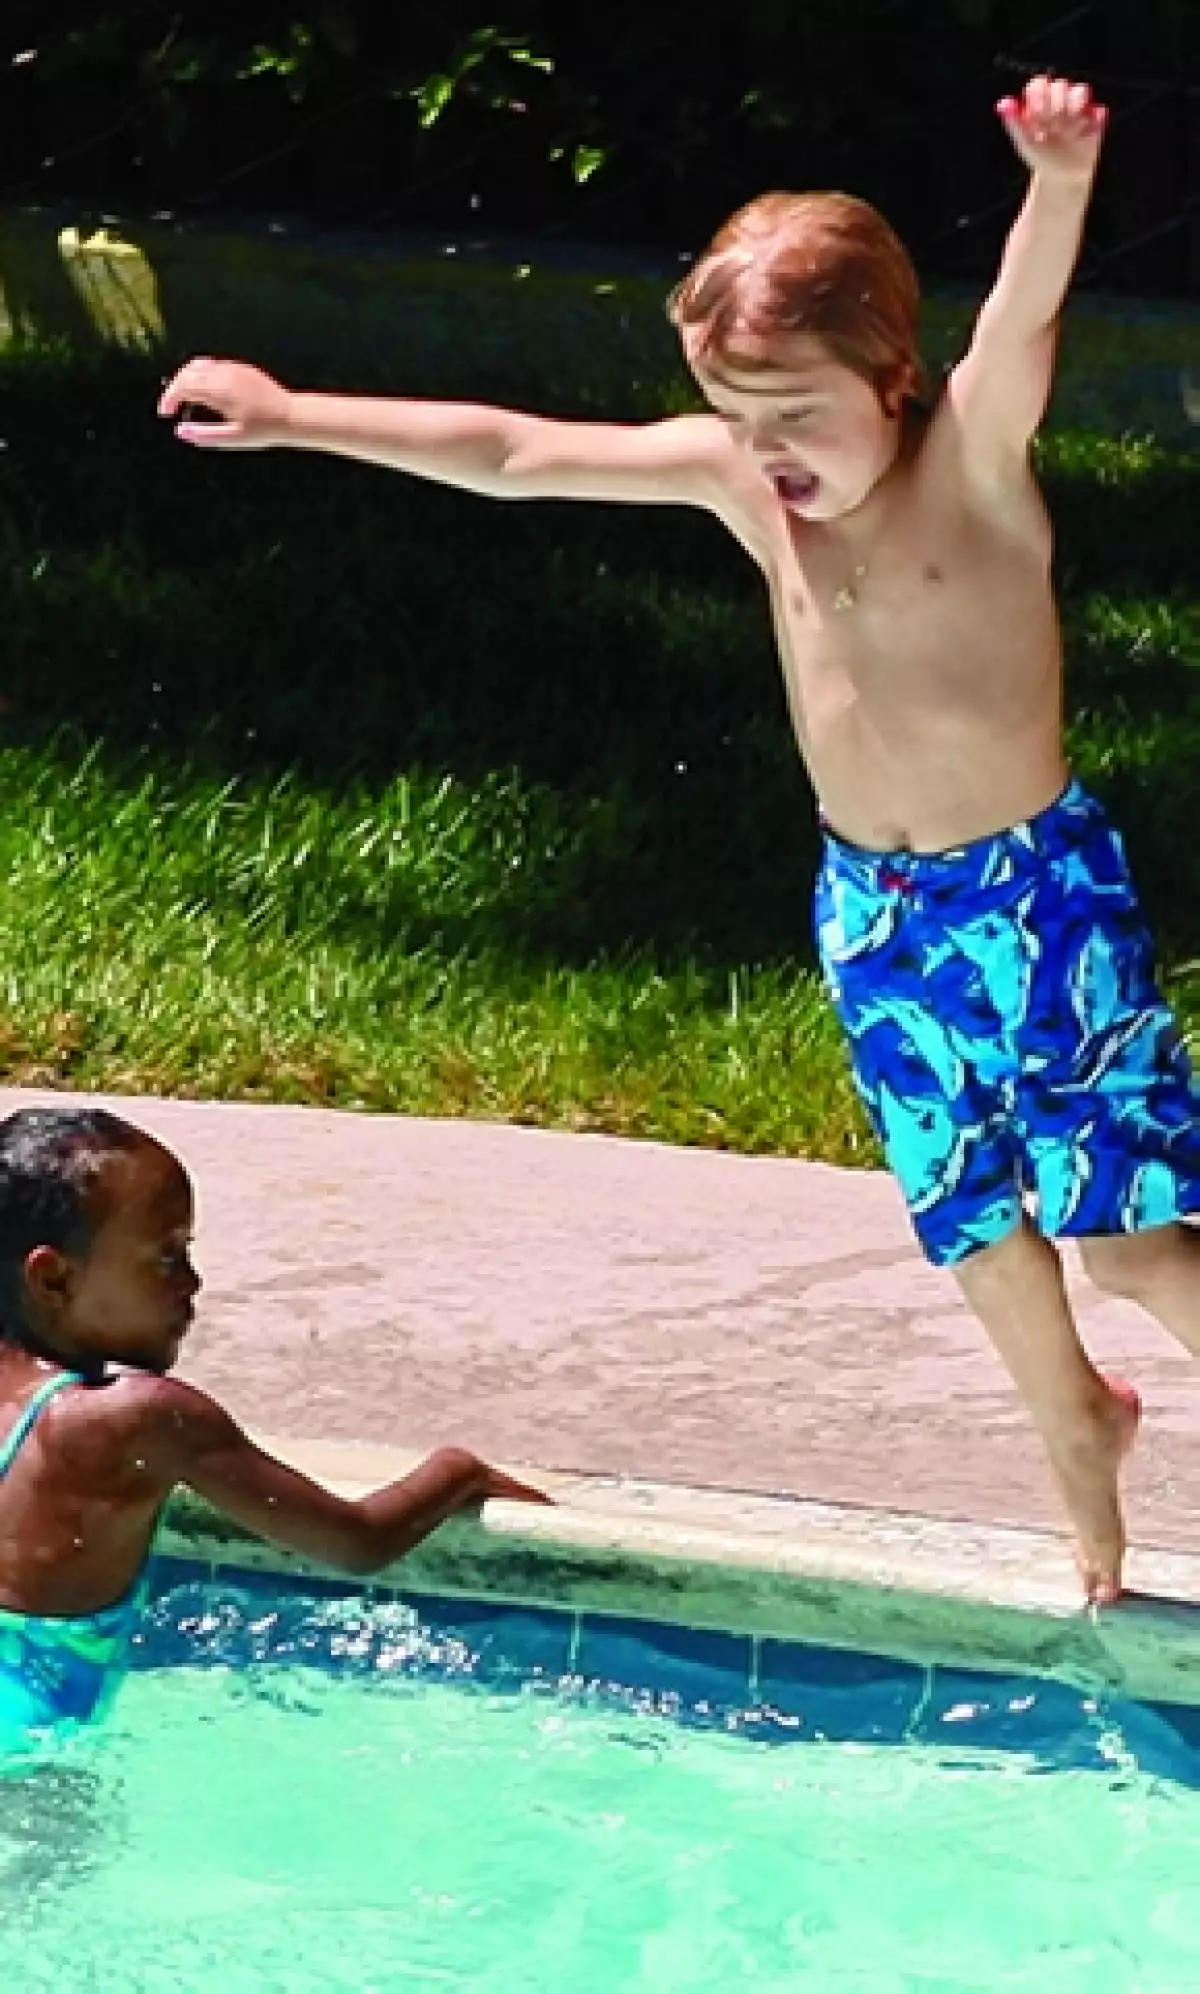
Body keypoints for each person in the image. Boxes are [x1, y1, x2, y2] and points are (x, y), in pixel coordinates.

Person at [158, 74, 1200, 1607]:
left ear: (895, 374)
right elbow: (515, 452)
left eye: (796, 414)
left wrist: (1058, 179)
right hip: (876, 912)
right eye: (734, 414)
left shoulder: (971, 467)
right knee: (975, 1224)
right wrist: (298, 416)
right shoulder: (743, 485)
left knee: (1126, 1244)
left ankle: (1108, 1386)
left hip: (1036, 899)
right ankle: (1075, 1433)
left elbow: (1024, 321)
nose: (763, 448)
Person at [0, 1105, 549, 1741]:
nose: (192, 1281)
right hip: (28, 1756)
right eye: (166, 1255)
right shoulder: (139, 1419)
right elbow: (356, 1543)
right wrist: (457, 1471)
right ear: (53, 1276)